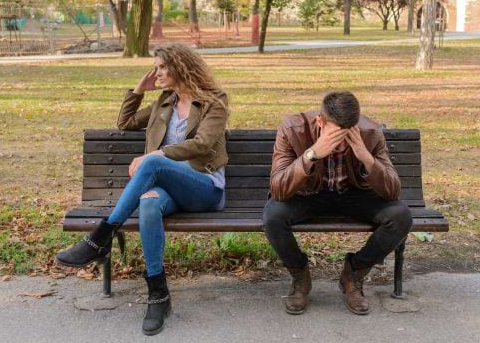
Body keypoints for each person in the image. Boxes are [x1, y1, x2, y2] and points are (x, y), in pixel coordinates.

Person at [56, 43, 229, 335]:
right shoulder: (164, 103)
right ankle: (158, 294)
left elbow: (202, 144)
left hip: (204, 187)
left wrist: (157, 155)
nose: (157, 73)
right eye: (156, 67)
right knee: (148, 203)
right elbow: (124, 123)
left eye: (162, 67)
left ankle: (101, 236)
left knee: (152, 163)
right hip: (168, 188)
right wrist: (138, 89)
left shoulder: (215, 100)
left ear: (180, 67)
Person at [263, 91, 412, 316]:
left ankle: (354, 274)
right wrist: (311, 155)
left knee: (401, 216)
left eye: (346, 137)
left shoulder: (370, 132)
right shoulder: (293, 129)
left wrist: (365, 157)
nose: (340, 145)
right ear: (320, 122)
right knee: (273, 215)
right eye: (334, 136)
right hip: (308, 195)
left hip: (354, 195)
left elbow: (392, 191)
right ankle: (300, 276)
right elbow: (279, 189)